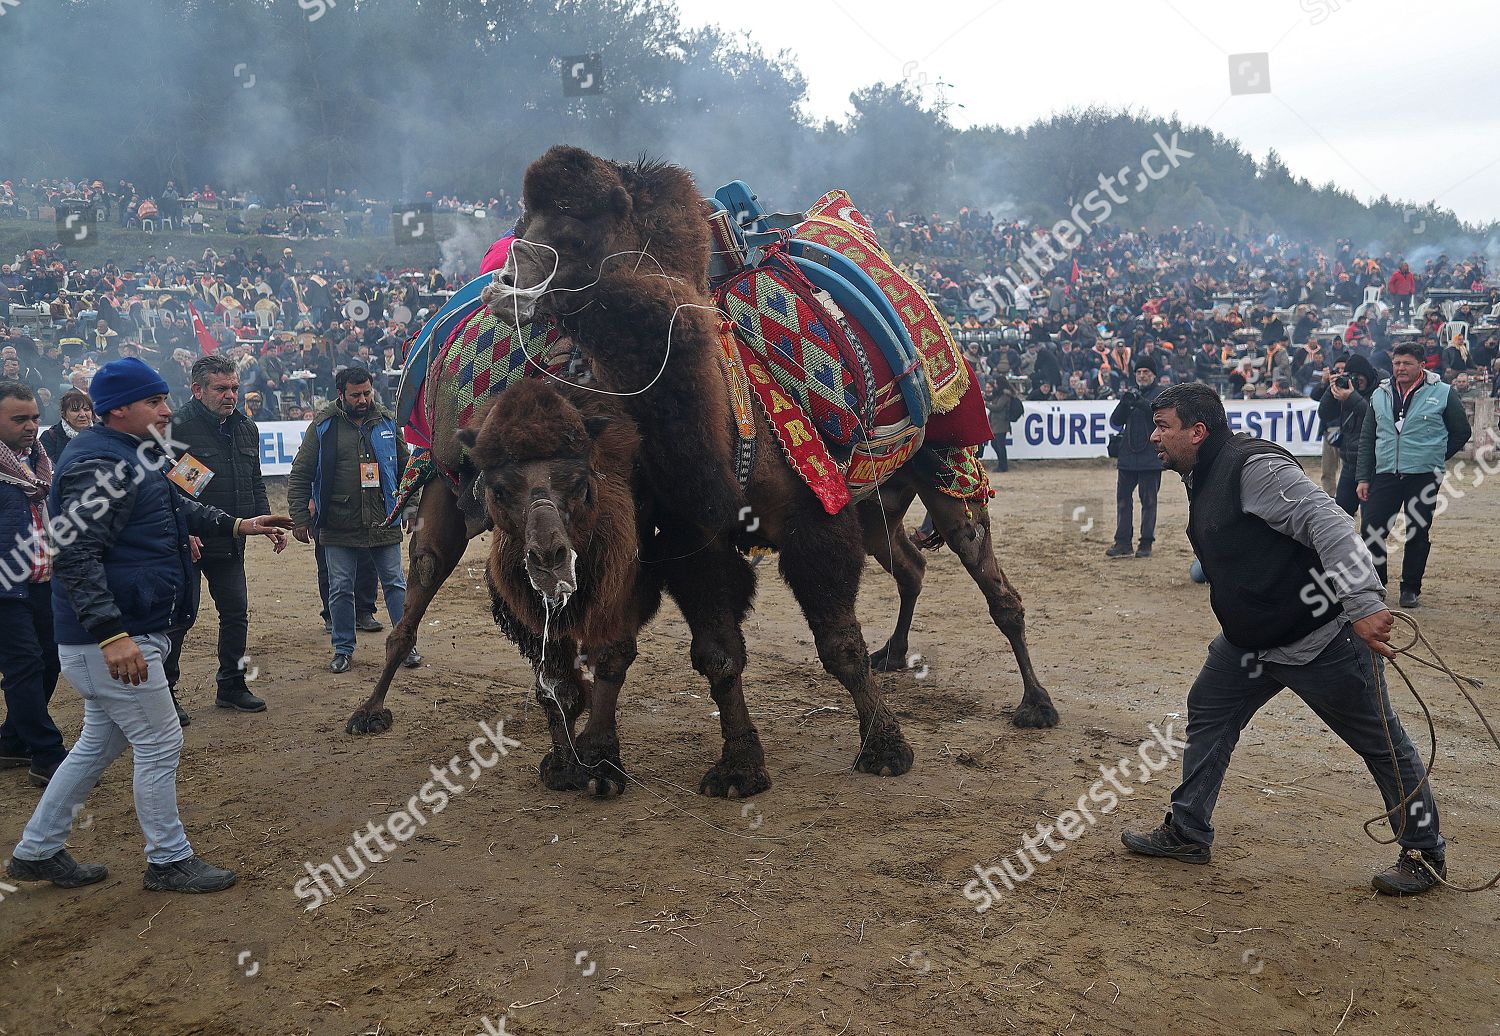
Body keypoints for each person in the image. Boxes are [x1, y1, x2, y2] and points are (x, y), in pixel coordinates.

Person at [1122, 383, 1449, 896]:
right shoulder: (1202, 472)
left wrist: (1363, 605)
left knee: (1381, 743)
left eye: (1163, 426)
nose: (1153, 436)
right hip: (1248, 644)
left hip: (1320, 640)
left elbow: (1332, 523)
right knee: (1209, 710)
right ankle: (1187, 830)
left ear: (1198, 431)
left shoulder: (1254, 468)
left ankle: (1425, 854)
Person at [6, 358, 291, 894]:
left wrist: (239, 523)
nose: (166, 410)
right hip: (115, 638)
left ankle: (37, 850)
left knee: (97, 745)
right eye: (153, 402)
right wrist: (112, 634)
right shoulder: (96, 465)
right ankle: (167, 860)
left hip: (121, 632)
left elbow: (172, 507)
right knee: (160, 742)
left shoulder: (127, 454)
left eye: (164, 399)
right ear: (118, 410)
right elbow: (76, 554)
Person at [163, 354, 279, 723]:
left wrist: (265, 520)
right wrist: (185, 530)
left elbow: (254, 479)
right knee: (180, 619)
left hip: (230, 540)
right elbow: (165, 489)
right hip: (186, 544)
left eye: (234, 387)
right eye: (221, 388)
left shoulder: (246, 427)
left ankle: (231, 685)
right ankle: (165, 694)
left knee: (235, 614)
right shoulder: (174, 428)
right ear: (197, 390)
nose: (230, 395)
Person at [287, 367, 418, 673]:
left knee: (396, 585)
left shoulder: (387, 421)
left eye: (367, 393)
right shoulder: (323, 426)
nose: (362, 400)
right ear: (340, 395)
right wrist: (299, 518)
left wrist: (410, 509)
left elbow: (407, 470)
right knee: (341, 588)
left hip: (383, 521)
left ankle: (406, 646)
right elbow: (301, 473)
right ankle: (343, 648)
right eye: (355, 395)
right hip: (337, 523)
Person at [1356, 341, 1472, 609]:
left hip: (1423, 475)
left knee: (1417, 531)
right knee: (1371, 529)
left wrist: (1434, 455)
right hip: (1385, 473)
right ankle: (1377, 584)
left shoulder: (1442, 392)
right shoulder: (1379, 393)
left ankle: (1410, 588)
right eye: (1396, 363)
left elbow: (1461, 432)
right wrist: (1363, 477)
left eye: (1407, 363)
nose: (1400, 368)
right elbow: (1367, 438)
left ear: (1422, 365)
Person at [0, 381, 68, 787]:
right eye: (19, 419)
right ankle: (47, 753)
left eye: (34, 418)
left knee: (50, 659)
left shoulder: (38, 462)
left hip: (42, 580)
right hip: (6, 588)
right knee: (25, 665)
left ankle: (11, 739)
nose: (30, 426)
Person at [1105, 362, 1163, 558]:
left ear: (1154, 375)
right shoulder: (1131, 395)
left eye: (1146, 371)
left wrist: (1139, 401)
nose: (1142, 375)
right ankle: (1122, 542)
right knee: (1122, 500)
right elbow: (1115, 421)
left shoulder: (1161, 394)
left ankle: (1145, 543)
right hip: (1128, 456)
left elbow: (1158, 414)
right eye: (1138, 372)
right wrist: (1124, 402)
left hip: (1150, 457)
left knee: (1148, 502)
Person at [1316, 355, 1377, 515]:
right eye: (1352, 377)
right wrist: (1332, 389)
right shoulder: (1347, 391)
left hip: (1372, 467)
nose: (1356, 381)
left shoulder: (1379, 391)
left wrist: (1352, 398)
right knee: (1341, 516)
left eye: (1359, 376)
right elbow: (1325, 413)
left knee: (1370, 518)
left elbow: (1373, 417)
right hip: (1349, 465)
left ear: (1367, 374)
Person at [38, 389, 94, 463]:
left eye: (86, 409)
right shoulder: (49, 437)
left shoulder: (102, 433)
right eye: (75, 410)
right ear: (64, 414)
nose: (82, 415)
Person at [985, 377, 1024, 471]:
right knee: (996, 444)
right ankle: (1002, 464)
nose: (995, 385)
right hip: (997, 423)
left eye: (996, 383)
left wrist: (986, 404)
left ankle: (1003, 465)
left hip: (1001, 423)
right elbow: (993, 399)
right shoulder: (1000, 394)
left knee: (999, 445)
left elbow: (998, 407)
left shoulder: (1005, 395)